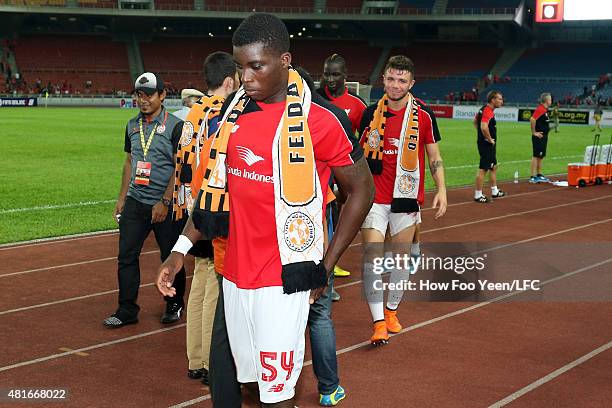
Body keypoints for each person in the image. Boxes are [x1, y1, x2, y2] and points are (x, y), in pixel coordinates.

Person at [156, 13, 374, 407]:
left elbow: (362, 190)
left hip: (284, 282)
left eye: (257, 66)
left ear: (285, 61)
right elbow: (210, 195)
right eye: (241, 68)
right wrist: (178, 252)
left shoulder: (320, 120)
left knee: (279, 394)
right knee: (251, 385)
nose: (247, 78)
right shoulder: (230, 117)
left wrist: (326, 264)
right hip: (235, 277)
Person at [359, 55, 447, 345]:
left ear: (411, 83)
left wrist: (442, 190)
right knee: (372, 259)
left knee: (400, 260)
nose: (395, 85)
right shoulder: (369, 115)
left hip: (405, 201)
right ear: (383, 79)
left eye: (402, 80)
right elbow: (357, 158)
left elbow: (434, 157)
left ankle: (391, 310)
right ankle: (378, 322)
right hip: (374, 199)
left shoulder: (423, 115)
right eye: (391, 79)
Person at [173, 52, 240, 384]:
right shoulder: (222, 114)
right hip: (213, 210)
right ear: (230, 81)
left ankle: (195, 357)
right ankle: (213, 363)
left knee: (199, 283)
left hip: (189, 210)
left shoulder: (191, 113)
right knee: (215, 284)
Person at [104, 72, 186, 328]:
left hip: (165, 206)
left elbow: (179, 167)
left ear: (162, 96)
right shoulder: (131, 125)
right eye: (139, 95)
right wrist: (122, 197)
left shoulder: (175, 126)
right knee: (126, 256)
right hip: (136, 201)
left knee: (170, 255)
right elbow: (130, 161)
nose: (143, 99)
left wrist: (164, 201)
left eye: (149, 94)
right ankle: (127, 309)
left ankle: (174, 303)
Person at [316, 53, 368, 297]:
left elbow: (364, 140)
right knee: (324, 222)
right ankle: (326, 273)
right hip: (322, 174)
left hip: (344, 173)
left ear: (345, 76)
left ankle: (330, 267)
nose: (330, 79)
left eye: (335, 74)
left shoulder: (357, 105)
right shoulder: (316, 97)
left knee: (338, 222)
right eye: (327, 73)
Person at [473, 90, 506, 203]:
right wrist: (488, 139)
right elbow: (483, 127)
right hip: (487, 144)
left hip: (486, 143)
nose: (502, 101)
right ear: (493, 100)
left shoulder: (483, 109)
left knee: (493, 167)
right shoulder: (487, 111)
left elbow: (475, 122)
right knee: (483, 169)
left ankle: (494, 191)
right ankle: (478, 195)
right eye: (500, 99)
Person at [529, 93, 552, 183]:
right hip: (539, 136)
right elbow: (532, 119)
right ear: (546, 100)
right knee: (536, 155)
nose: (551, 101)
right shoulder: (540, 109)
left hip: (544, 136)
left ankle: (539, 174)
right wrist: (534, 132)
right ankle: (533, 176)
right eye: (550, 99)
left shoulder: (545, 110)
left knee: (540, 156)